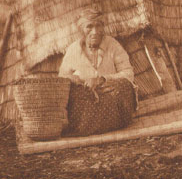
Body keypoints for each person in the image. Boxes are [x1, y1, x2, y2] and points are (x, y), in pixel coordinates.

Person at [58, 8, 136, 136]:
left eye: (98, 26)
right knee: (74, 94)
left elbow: (128, 73)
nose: (95, 32)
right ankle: (100, 126)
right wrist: (72, 79)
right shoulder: (73, 50)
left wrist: (102, 79)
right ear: (81, 30)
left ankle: (91, 127)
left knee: (124, 86)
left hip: (109, 96)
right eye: (89, 26)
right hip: (86, 100)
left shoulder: (112, 45)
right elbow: (61, 79)